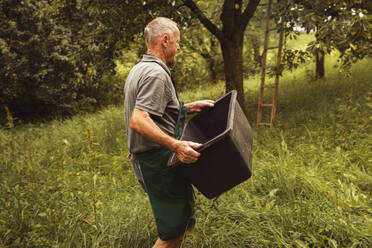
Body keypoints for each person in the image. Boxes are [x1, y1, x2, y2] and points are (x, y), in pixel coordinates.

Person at [124, 17, 214, 248]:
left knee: (181, 223)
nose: (178, 47)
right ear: (165, 40)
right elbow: (139, 120)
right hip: (157, 162)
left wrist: (190, 107)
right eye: (177, 42)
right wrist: (176, 145)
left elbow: (157, 112)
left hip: (153, 161)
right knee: (172, 233)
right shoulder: (156, 74)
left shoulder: (140, 69)